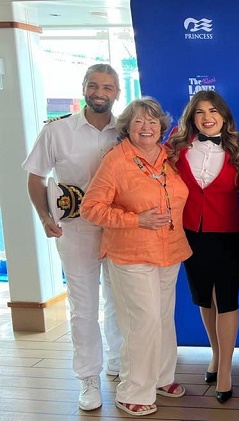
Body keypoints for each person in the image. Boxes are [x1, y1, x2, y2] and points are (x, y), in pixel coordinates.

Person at [80, 97, 192, 417]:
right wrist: (136, 220)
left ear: (162, 127)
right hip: (130, 253)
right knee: (141, 323)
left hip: (169, 250)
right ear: (127, 127)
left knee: (161, 318)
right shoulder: (115, 160)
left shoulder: (169, 156)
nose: (146, 127)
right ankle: (132, 391)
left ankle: (161, 378)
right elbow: (91, 208)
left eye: (152, 121)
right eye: (139, 121)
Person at [21, 63, 123, 411]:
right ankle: (88, 377)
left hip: (117, 227)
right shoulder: (57, 130)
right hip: (75, 228)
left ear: (117, 93)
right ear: (83, 88)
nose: (99, 92)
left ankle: (117, 362)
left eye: (107, 87)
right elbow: (35, 176)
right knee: (83, 306)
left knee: (117, 300)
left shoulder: (125, 131)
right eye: (93, 85)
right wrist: (44, 216)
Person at [166, 90, 239, 403]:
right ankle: (215, 354)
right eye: (199, 112)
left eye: (213, 110)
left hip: (227, 233)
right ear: (191, 117)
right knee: (204, 298)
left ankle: (225, 369)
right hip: (190, 233)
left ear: (224, 116)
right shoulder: (176, 146)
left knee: (225, 299)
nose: (207, 117)